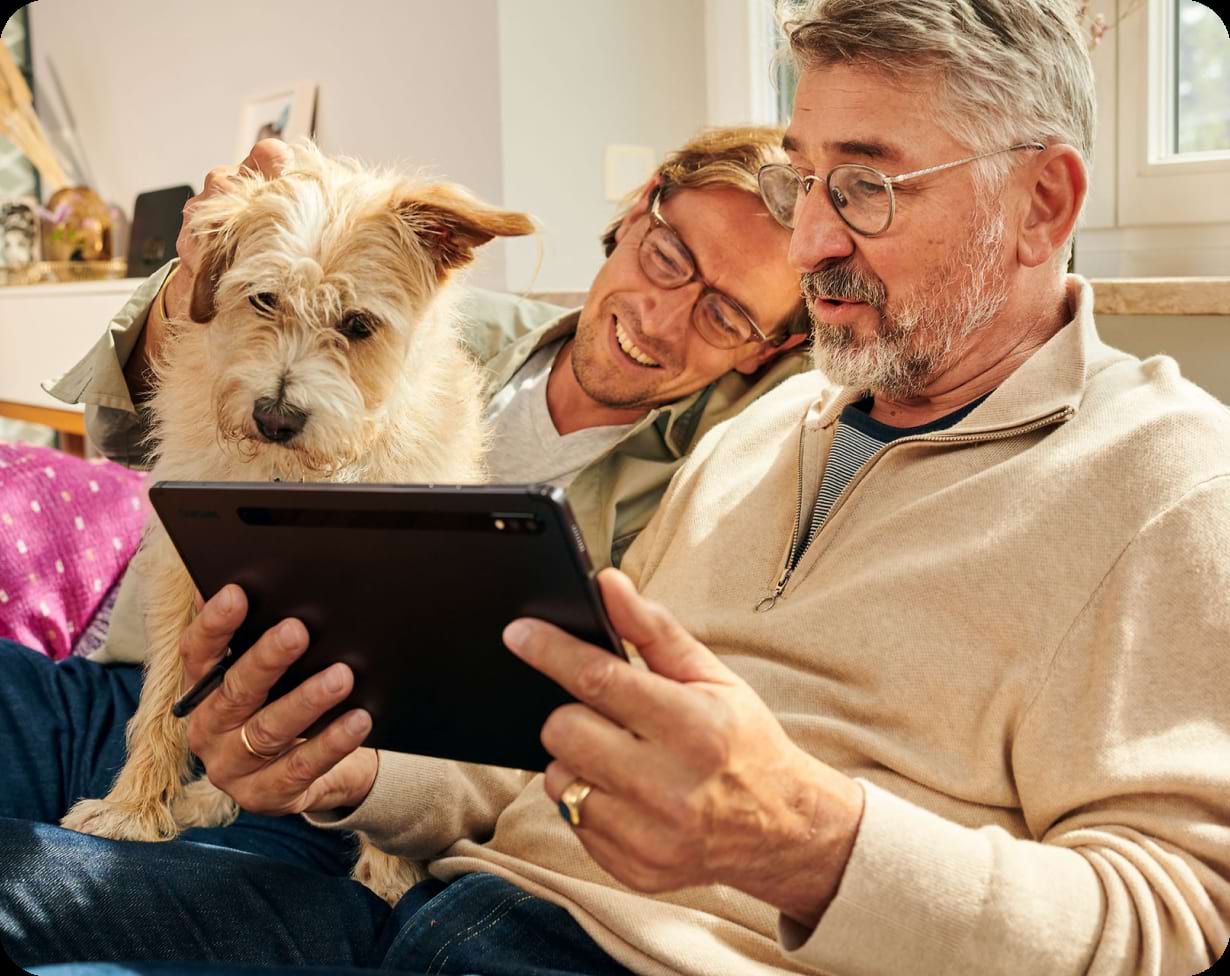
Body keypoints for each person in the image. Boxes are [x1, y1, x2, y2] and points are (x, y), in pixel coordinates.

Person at [4, 1, 1230, 974]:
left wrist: (819, 848)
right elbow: (541, 740)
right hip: (420, 909)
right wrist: (346, 773)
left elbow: (1174, 922)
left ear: (1045, 203)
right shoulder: (765, 441)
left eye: (865, 185)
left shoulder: (1168, 477)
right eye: (808, 180)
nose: (810, 242)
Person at [0, 128, 807, 873]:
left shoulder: (712, 489)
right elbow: (117, 426)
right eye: (668, 256)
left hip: (317, 786)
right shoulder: (465, 319)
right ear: (637, 213)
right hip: (119, 684)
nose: (662, 319)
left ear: (772, 348)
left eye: (727, 314)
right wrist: (191, 286)